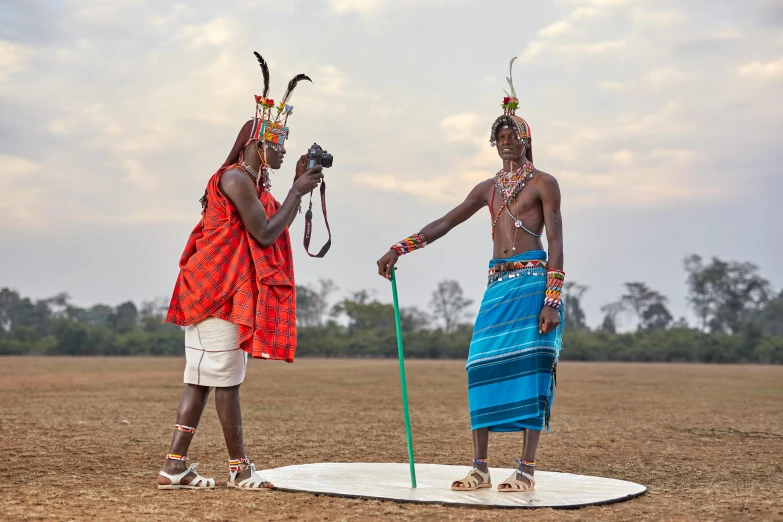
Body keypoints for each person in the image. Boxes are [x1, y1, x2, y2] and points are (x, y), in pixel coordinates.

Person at [376, 57, 565, 493]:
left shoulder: (544, 183)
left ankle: (525, 470)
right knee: (478, 366)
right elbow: (445, 222)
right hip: (497, 286)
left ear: (527, 140)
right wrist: (399, 248)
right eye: (499, 137)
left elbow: (556, 242)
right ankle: (480, 467)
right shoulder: (487, 188)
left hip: (535, 283)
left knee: (532, 371)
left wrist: (552, 300)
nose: (506, 142)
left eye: (513, 135)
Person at [156, 52, 323, 491]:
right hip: (218, 294)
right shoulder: (235, 179)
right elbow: (266, 234)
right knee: (223, 382)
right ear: (259, 143)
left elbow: (271, 223)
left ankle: (175, 466)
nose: (284, 150)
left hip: (215, 294)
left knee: (202, 380)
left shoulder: (249, 183)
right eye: (279, 144)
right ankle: (240, 469)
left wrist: (296, 188)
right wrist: (295, 191)